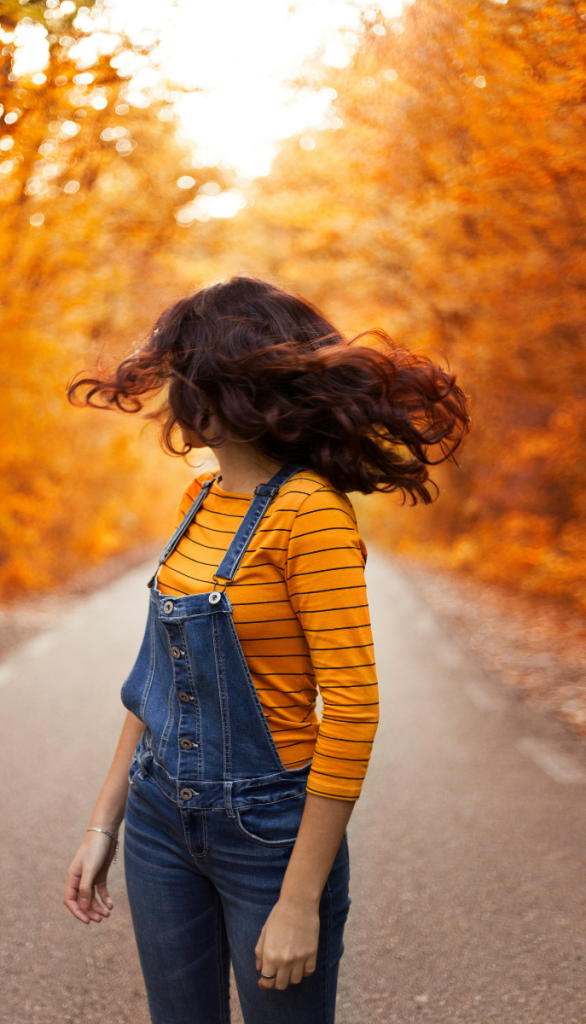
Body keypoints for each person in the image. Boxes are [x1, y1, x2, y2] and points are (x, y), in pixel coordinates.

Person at [63, 277, 469, 1024]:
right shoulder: (200, 501)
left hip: (266, 833)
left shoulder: (310, 515)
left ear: (226, 385)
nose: (172, 393)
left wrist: (299, 899)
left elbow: (352, 712)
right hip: (159, 817)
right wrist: (105, 822)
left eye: (182, 370)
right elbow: (155, 677)